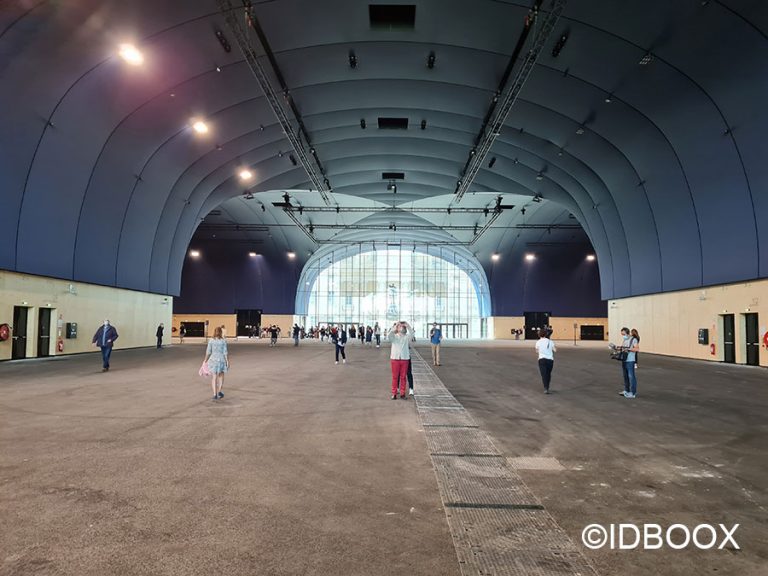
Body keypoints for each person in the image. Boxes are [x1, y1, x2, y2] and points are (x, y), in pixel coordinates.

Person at [388, 321, 413, 399]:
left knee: (403, 377)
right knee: (395, 377)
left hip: (405, 359)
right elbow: (389, 334)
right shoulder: (394, 337)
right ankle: (394, 393)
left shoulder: (407, 337)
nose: (401, 327)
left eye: (402, 326)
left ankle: (402, 393)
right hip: (395, 359)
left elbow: (412, 333)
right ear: (397, 329)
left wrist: (407, 325)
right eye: (399, 327)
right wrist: (396, 325)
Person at [204, 326, 229, 400]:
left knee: (214, 377)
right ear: (221, 332)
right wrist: (227, 361)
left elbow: (208, 352)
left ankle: (214, 394)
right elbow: (225, 352)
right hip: (221, 360)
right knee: (221, 376)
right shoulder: (223, 341)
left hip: (213, 360)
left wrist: (205, 360)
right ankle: (219, 392)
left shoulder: (211, 340)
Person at [615, 327, 640, 398]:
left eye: (624, 334)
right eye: (622, 334)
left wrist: (628, 349)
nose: (623, 336)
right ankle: (626, 390)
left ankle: (633, 393)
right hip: (624, 360)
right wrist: (618, 348)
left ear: (627, 333)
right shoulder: (625, 340)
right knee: (625, 376)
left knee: (631, 376)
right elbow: (624, 348)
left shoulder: (633, 339)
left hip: (630, 360)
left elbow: (637, 349)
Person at [535, 328, 556, 394]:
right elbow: (555, 350)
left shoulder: (538, 342)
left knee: (543, 374)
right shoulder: (550, 341)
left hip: (542, 360)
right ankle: (547, 386)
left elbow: (536, 351)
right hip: (550, 360)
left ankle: (546, 388)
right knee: (548, 374)